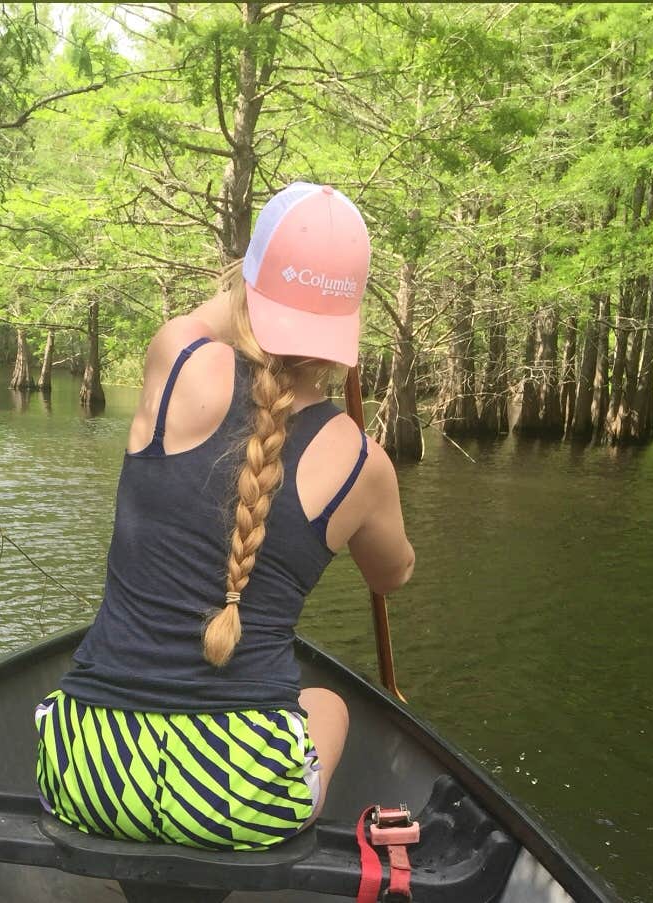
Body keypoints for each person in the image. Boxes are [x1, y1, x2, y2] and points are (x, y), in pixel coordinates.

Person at [34, 182, 415, 852]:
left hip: (84, 772)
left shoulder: (179, 360)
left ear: (247, 282)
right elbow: (393, 575)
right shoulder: (364, 462)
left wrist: (251, 282)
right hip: (243, 799)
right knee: (328, 704)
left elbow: (213, 319)